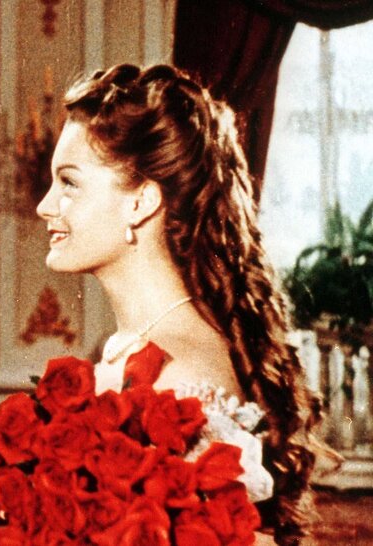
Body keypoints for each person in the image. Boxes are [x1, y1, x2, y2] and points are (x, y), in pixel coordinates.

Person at [37, 64, 317, 546]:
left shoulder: (181, 371)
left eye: (69, 182)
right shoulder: (132, 344)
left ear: (141, 202)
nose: (45, 205)